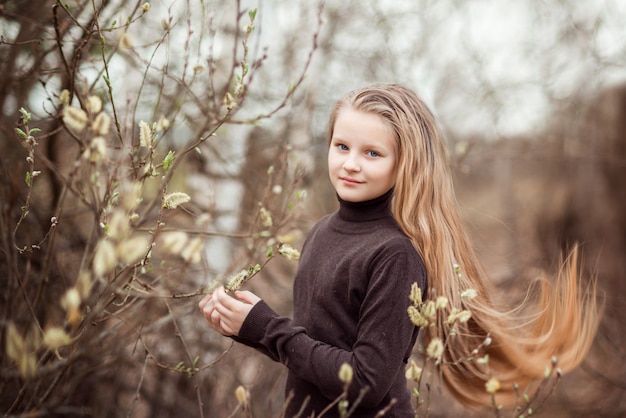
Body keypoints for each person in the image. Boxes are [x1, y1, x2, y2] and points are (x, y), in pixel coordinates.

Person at [199, 84, 602, 417]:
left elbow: (364, 382)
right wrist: (248, 328)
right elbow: (317, 351)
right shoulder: (321, 232)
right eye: (342, 146)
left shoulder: (395, 255)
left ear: (403, 164)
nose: (351, 164)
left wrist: (269, 328)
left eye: (372, 153)